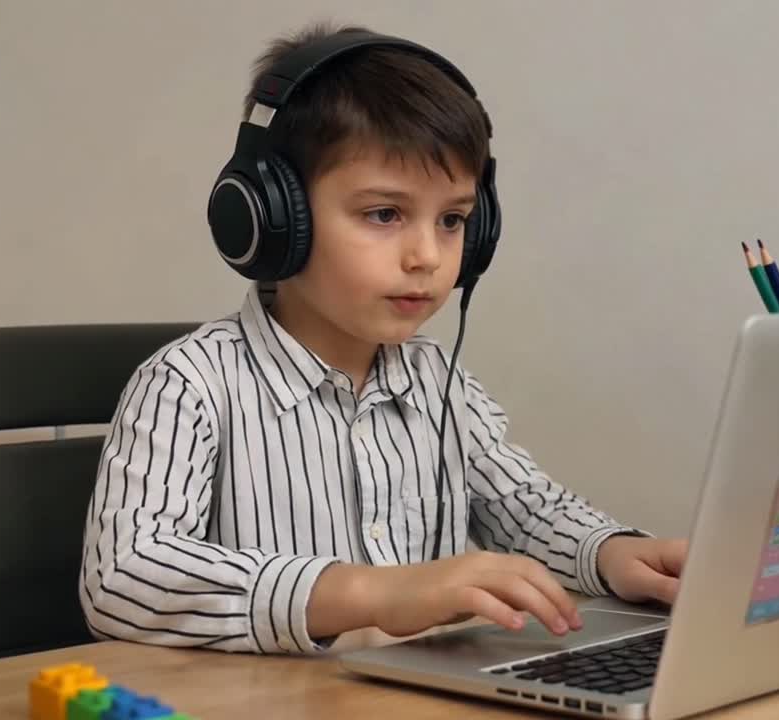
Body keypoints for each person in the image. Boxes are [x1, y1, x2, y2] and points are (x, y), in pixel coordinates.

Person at [80, 22, 687, 655]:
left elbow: (524, 506)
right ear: (273, 216)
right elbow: (122, 579)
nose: (427, 256)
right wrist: (370, 592)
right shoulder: (190, 384)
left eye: (452, 220)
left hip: (411, 693)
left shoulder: (438, 382)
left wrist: (611, 552)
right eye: (384, 214)